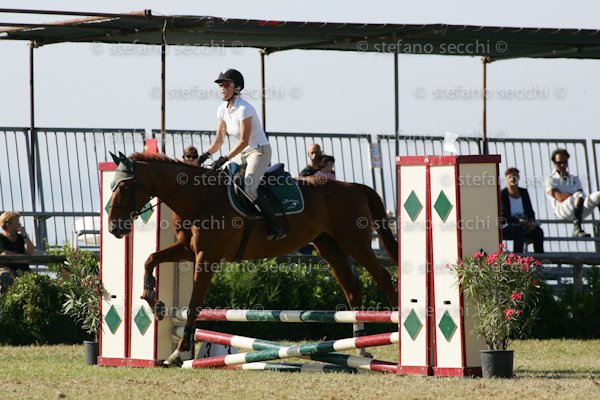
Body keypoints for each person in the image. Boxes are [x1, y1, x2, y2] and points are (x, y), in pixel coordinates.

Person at [198, 68, 286, 240]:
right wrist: (204, 156)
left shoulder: (245, 109)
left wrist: (224, 158)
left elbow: (244, 141)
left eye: (226, 84)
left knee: (249, 188)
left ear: (237, 88)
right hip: (243, 152)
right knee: (217, 177)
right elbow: (219, 140)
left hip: (259, 151)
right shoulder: (222, 109)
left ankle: (275, 226)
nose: (222, 88)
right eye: (220, 85)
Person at [544, 148, 600, 237]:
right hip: (562, 210)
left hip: (578, 210)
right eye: (559, 163)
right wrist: (574, 197)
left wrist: (573, 197)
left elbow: (582, 197)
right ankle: (577, 229)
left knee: (598, 195)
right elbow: (559, 197)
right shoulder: (550, 179)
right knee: (578, 195)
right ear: (554, 163)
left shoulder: (574, 178)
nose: (562, 165)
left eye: (565, 162)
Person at [500, 168, 544, 253]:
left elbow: (530, 211)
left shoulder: (524, 192)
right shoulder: (503, 194)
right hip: (510, 225)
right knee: (519, 231)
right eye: (510, 177)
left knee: (538, 232)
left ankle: (539, 259)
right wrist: (519, 222)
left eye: (515, 176)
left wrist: (531, 222)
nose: (513, 179)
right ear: (506, 179)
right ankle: (518, 258)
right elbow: (503, 216)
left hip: (525, 224)